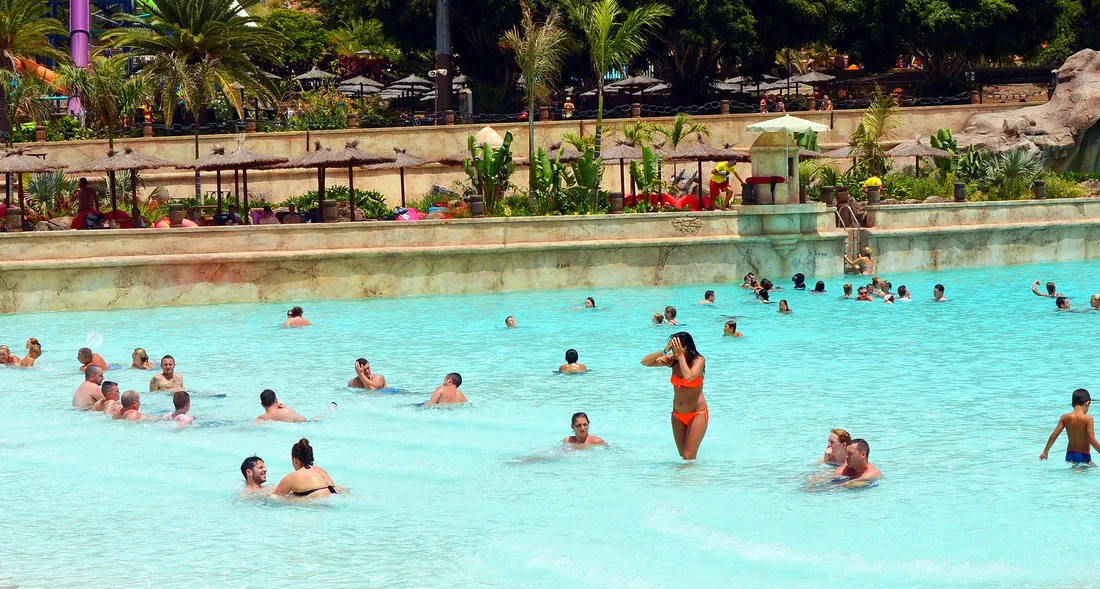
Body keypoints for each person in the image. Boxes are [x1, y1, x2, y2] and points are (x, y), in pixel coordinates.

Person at [641, 332, 708, 460]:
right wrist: (664, 350)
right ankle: (682, 479)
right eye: (673, 346)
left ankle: (694, 479)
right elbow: (645, 362)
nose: (674, 350)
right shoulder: (672, 360)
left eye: (677, 346)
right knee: (683, 455)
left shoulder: (698, 360)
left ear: (686, 347)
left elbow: (689, 377)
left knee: (689, 455)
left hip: (697, 414)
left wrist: (681, 356)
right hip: (677, 415)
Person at [1040, 388, 1100, 465]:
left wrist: (1045, 451)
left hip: (1069, 455)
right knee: (1091, 469)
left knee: (1076, 472)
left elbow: (1054, 435)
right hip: (1083, 456)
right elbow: (1092, 440)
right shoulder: (1088, 419)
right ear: (1087, 404)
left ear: (1072, 404)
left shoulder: (1065, 417)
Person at [272, 438, 339, 498]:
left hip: (318, 502)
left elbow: (274, 497)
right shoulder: (321, 471)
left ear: (295, 460)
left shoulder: (290, 478)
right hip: (335, 495)